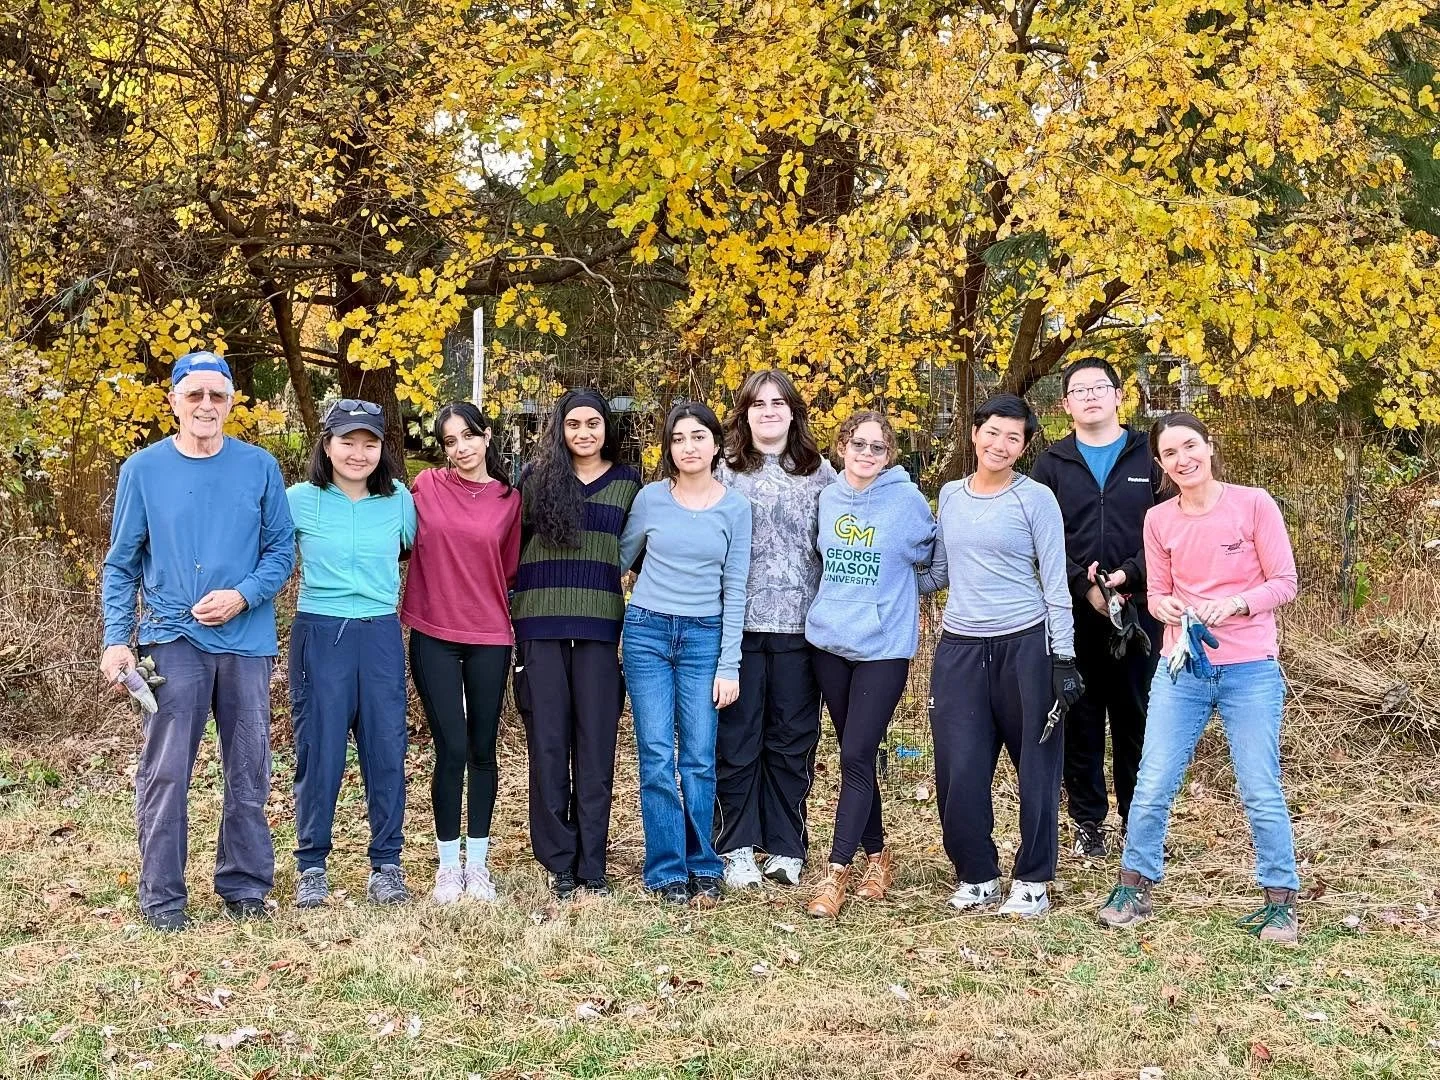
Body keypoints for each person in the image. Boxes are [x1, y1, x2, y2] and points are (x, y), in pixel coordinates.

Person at [100, 350, 295, 931]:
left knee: (249, 764)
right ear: (174, 402)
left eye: (217, 395)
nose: (206, 405)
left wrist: (243, 595)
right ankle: (162, 897)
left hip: (246, 640)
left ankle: (244, 886)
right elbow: (122, 563)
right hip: (170, 636)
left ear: (231, 401)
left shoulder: (259, 467)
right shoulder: (143, 469)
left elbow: (281, 552)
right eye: (195, 395)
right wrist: (117, 637)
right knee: (166, 768)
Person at [1097, 413, 1302, 943]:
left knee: (1259, 786)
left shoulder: (1254, 503)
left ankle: (1280, 898)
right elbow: (1158, 591)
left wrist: (1235, 603)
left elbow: (1284, 582)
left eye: (1190, 446)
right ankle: (1134, 885)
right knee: (1153, 782)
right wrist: (1166, 608)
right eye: (1170, 454)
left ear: (1209, 447)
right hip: (1181, 667)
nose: (1183, 459)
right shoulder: (1159, 519)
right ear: (1162, 466)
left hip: (1250, 669)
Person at [920, 394, 1079, 918]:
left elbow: (1055, 583)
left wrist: (1064, 657)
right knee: (958, 766)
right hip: (960, 648)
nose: (1000, 444)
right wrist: (884, 572)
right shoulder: (950, 495)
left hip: (1026, 645)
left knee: (1036, 764)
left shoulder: (1035, 500)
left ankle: (1033, 879)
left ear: (1025, 445)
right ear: (974, 434)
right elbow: (940, 572)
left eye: (1013, 437)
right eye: (992, 432)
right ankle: (977, 874)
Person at [803, 411, 935, 919]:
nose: (866, 454)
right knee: (855, 756)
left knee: (857, 753)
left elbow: (935, 562)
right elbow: (820, 562)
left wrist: (901, 593)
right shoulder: (828, 496)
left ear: (890, 455)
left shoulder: (906, 502)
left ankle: (835, 874)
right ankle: (879, 856)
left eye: (878, 448)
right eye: (858, 444)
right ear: (841, 446)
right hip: (830, 644)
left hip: (883, 649)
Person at [619, 402, 752, 907]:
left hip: (704, 638)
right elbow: (619, 558)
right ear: (669, 448)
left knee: (698, 757)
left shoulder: (735, 508)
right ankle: (666, 869)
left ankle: (703, 863)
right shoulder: (652, 499)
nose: (689, 447)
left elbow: (735, 588)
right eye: (678, 439)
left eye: (698, 437)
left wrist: (729, 664)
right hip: (647, 633)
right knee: (656, 755)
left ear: (716, 445)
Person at [511, 390, 642, 900]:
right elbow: (508, 549)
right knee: (548, 746)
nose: (584, 433)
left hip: (599, 629)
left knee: (596, 749)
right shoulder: (535, 479)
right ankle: (559, 862)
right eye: (573, 424)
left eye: (593, 423)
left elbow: (641, 555)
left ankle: (593, 862)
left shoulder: (629, 484)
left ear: (607, 427)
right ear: (559, 429)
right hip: (539, 627)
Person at [286, 399, 416, 908]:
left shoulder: (398, 501)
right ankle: (312, 864)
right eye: (347, 442)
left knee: (386, 749)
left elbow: (416, 551)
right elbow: (268, 553)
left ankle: (386, 863)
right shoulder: (298, 499)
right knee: (320, 751)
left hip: (380, 632)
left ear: (382, 449)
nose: (358, 453)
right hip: (320, 632)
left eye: (369, 443)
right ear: (327, 444)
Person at [1031, 359, 1163, 858]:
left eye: (1098, 387)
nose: (1089, 396)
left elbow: (1169, 528)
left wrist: (1131, 574)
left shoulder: (1148, 455)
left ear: (1118, 396)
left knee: (1137, 717)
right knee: (1080, 717)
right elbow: (1042, 538)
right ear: (1065, 404)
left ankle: (1139, 819)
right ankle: (1089, 821)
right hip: (1074, 612)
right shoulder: (1051, 464)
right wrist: (1078, 585)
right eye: (1078, 390)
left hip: (1140, 612)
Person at [713, 369, 836, 890]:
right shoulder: (723, 471)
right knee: (737, 740)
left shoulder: (821, 472)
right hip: (735, 629)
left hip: (800, 629)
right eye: (758, 403)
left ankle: (786, 846)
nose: (768, 411)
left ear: (793, 412)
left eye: (778, 403)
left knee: (791, 741)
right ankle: (736, 845)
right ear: (744, 412)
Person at [400, 402, 521, 905]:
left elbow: (510, 570)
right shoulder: (425, 486)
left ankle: (478, 864)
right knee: (449, 748)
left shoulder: (510, 500)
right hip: (434, 633)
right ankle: (448, 867)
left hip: (490, 636)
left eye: (469, 436)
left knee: (482, 749)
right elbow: (399, 541)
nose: (461, 449)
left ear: (487, 436)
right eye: (450, 442)